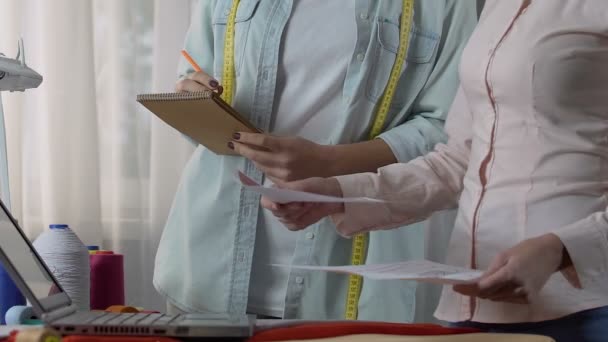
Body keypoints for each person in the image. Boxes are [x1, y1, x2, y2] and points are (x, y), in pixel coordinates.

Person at [262, 0, 608, 340]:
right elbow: (459, 158)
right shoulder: (498, 6)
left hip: (585, 305)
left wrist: (558, 249)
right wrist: (339, 192)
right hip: (475, 300)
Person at [154, 0, 479, 321]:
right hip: (208, 275)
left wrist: (329, 162)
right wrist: (191, 96)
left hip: (355, 280)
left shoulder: (445, 6)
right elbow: (194, 76)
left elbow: (447, 133)